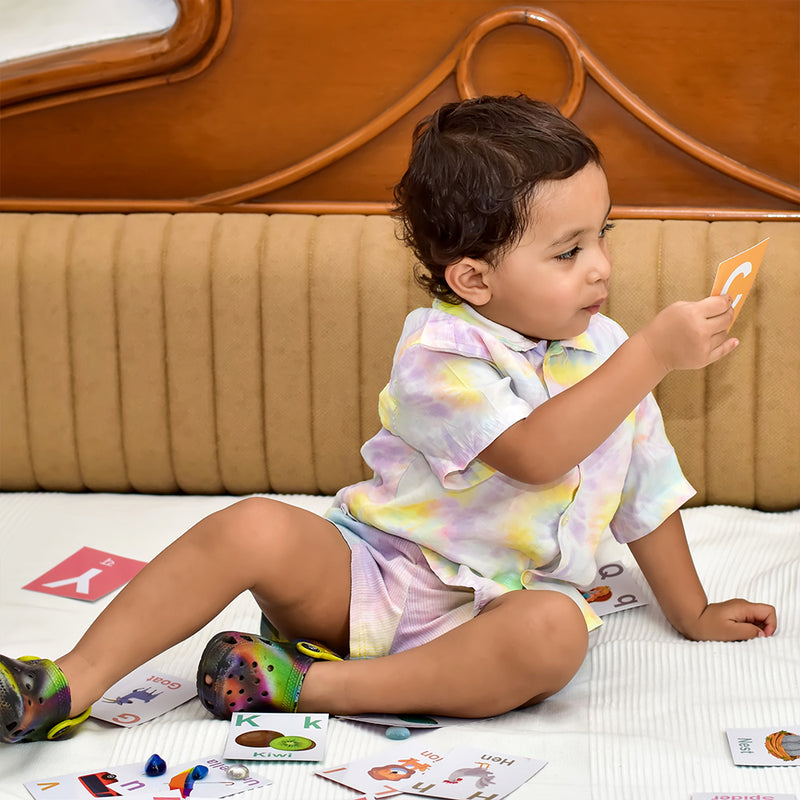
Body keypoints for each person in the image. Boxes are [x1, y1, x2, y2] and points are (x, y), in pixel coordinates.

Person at [0, 95, 777, 744]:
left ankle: (305, 686)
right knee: (251, 527)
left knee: (556, 635)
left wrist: (695, 610)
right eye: (568, 251)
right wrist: (650, 356)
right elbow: (536, 454)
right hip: (369, 580)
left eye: (602, 233)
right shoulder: (438, 352)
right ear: (472, 278)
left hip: (496, 615)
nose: (602, 265)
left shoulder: (605, 352)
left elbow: (647, 496)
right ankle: (69, 682)